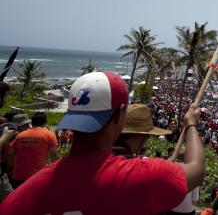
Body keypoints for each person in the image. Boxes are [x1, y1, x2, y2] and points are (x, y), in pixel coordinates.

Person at [0, 71, 205, 215]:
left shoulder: (22, 196)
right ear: (120, 117)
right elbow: (196, 170)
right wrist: (191, 125)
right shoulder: (142, 176)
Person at [6, 112, 58, 188]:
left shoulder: (20, 135)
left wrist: (11, 170)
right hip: (37, 176)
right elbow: (54, 155)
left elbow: (10, 155)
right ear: (45, 122)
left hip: (18, 176)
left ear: (32, 123)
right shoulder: (49, 134)